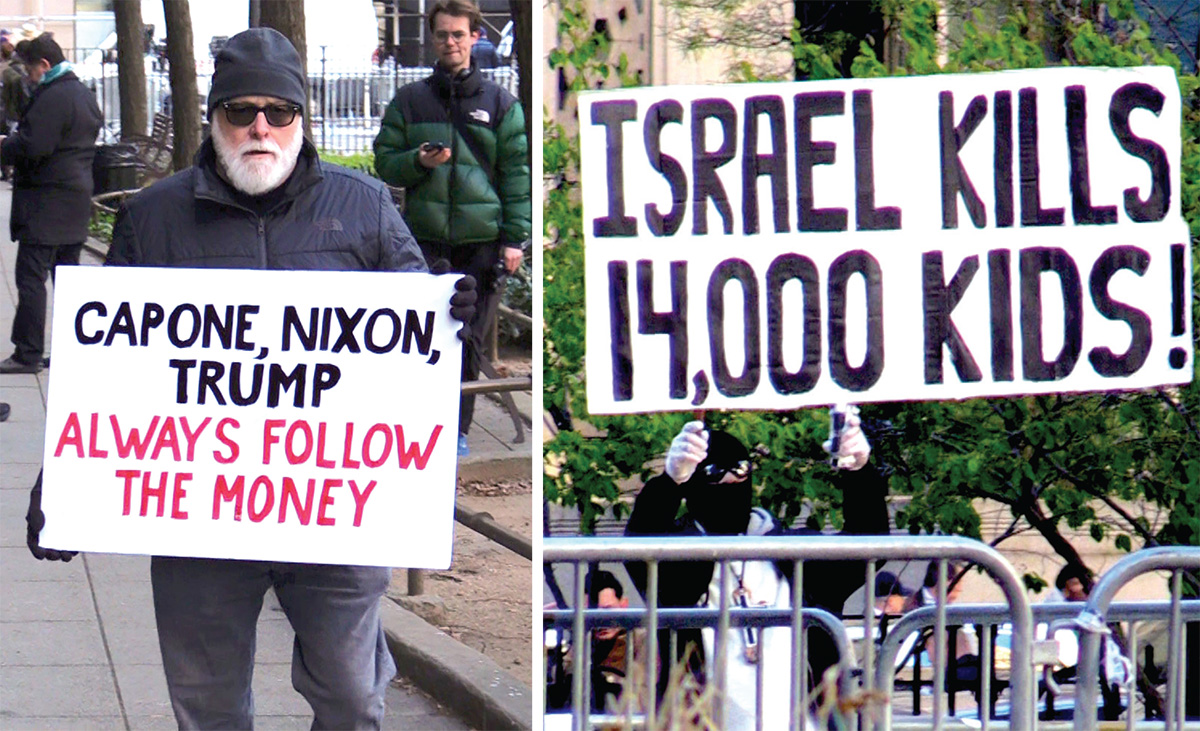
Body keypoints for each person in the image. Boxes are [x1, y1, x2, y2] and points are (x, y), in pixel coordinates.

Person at [24, 28, 477, 729]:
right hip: (199, 518)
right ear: (214, 118)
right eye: (241, 111)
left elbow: (418, 345)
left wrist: (454, 316)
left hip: (336, 513)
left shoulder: (364, 209)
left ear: (302, 119)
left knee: (354, 695)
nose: (260, 126)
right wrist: (63, 481)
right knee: (206, 704)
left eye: (279, 111)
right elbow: (108, 370)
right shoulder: (153, 217)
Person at [623, 406, 890, 728]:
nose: (731, 480)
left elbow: (867, 545)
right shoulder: (682, 562)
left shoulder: (792, 555)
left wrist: (859, 472)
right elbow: (638, 553)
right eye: (713, 472)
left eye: (740, 469)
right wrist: (668, 483)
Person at [373, 0, 531, 457]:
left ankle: (458, 432)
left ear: (475, 36)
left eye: (458, 34)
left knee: (468, 344)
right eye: (442, 34)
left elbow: (516, 175)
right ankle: (422, 425)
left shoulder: (501, 104)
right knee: (420, 338)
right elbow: (385, 162)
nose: (450, 42)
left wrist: (514, 240)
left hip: (482, 245)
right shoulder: (409, 101)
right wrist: (417, 162)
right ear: (433, 38)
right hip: (423, 242)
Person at [0, 33, 101, 374]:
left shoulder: (54, 96)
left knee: (31, 279)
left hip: (46, 206)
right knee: (68, 283)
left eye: (30, 69)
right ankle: (73, 351)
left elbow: (34, 145)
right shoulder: (83, 94)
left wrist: (6, 145)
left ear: (44, 65)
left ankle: (27, 353)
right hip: (74, 203)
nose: (28, 76)